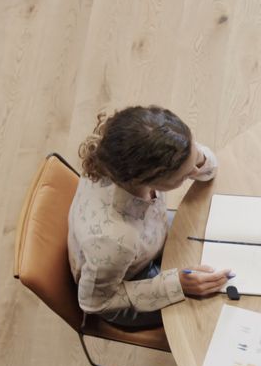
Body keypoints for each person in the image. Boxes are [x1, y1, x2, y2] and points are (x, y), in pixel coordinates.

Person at [68, 106, 231, 328]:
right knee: (211, 310)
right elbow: (94, 303)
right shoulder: (115, 241)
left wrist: (196, 158)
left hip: (148, 238)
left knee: (211, 235)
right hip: (125, 284)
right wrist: (177, 285)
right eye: (185, 176)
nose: (196, 169)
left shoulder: (122, 152)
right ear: (150, 179)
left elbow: (208, 166)